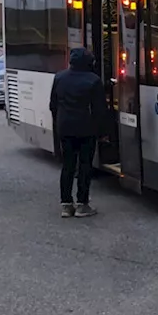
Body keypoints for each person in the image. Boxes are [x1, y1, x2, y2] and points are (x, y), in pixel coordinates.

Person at [49, 47, 105, 218]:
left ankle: (66, 205)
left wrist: (59, 122)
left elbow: (53, 105)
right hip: (86, 128)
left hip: (64, 127)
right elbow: (99, 110)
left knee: (67, 166)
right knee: (85, 166)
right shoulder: (93, 80)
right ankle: (82, 204)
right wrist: (101, 130)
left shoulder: (59, 77)